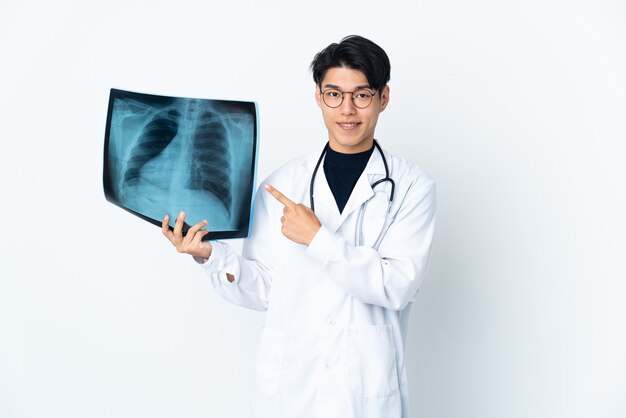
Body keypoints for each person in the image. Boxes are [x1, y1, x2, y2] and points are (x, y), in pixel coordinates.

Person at [162, 35, 436, 418]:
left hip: (363, 392)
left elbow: (396, 286)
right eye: (334, 94)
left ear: (383, 98)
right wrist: (209, 255)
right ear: (318, 97)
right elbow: (264, 290)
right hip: (292, 390)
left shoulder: (411, 187)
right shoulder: (283, 184)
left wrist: (318, 239)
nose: (347, 110)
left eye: (362, 95)